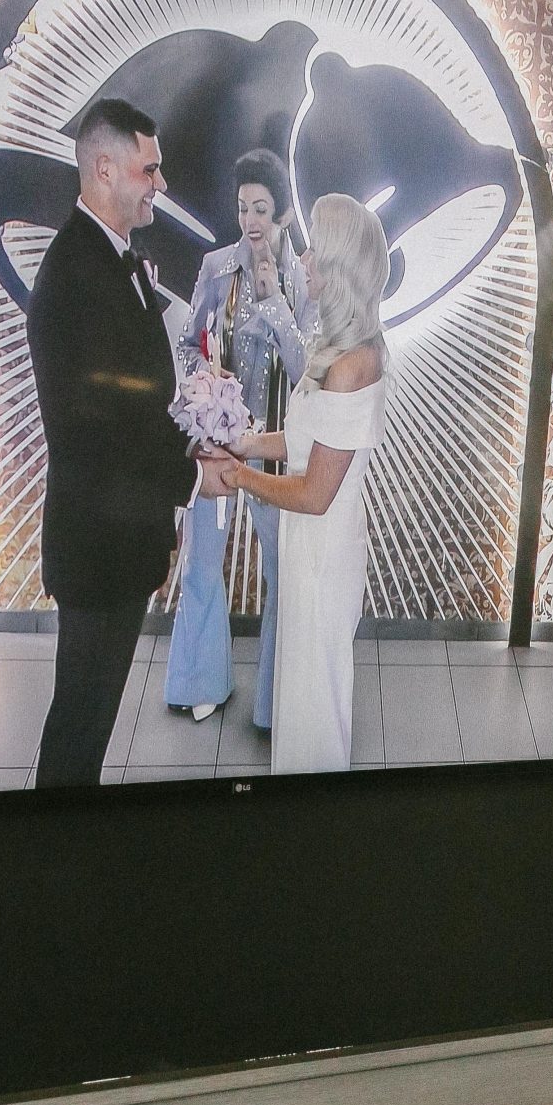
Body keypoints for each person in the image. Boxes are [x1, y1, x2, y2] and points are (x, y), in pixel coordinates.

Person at [29, 97, 227, 786]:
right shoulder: (77, 275)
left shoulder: (112, 259)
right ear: (106, 168)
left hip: (121, 534)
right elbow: (99, 432)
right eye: (151, 169)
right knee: (79, 723)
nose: (161, 185)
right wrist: (195, 478)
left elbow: (136, 396)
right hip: (97, 542)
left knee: (89, 721)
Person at [201, 193, 389, 776]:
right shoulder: (339, 349)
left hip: (322, 550)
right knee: (302, 692)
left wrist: (236, 476)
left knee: (314, 703)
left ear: (336, 266)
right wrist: (246, 442)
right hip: (311, 544)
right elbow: (305, 438)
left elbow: (314, 492)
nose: (303, 259)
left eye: (314, 250)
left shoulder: (354, 363)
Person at [162, 150, 311, 730]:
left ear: (283, 216)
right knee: (202, 561)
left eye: (263, 210)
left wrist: (275, 300)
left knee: (281, 567)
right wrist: (205, 374)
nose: (251, 220)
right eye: (243, 207)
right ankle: (201, 681)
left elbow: (308, 372)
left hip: (275, 448)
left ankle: (275, 699)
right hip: (215, 440)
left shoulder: (303, 277)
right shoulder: (214, 267)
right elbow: (186, 344)